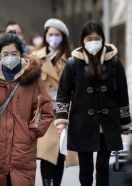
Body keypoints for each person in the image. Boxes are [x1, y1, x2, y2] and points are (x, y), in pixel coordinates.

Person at [0, 30, 54, 186]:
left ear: (21, 53)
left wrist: (32, 132)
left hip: (23, 149)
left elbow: (44, 108)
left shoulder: (32, 79)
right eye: (5, 54)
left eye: (14, 53)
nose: (10, 57)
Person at [55, 21, 131, 186]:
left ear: (103, 39)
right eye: (89, 38)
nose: (93, 42)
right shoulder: (73, 63)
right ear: (83, 40)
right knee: (86, 168)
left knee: (103, 166)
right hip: (82, 123)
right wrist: (61, 121)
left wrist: (125, 123)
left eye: (97, 38)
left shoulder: (114, 62)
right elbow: (63, 95)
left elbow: (122, 95)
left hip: (108, 123)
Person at [31, 18, 78, 186]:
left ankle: (56, 183)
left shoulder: (72, 58)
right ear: (45, 35)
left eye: (57, 35)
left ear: (63, 37)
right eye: (50, 34)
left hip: (65, 111)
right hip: (43, 110)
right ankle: (46, 183)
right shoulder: (35, 57)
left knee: (59, 151)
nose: (53, 38)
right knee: (46, 151)